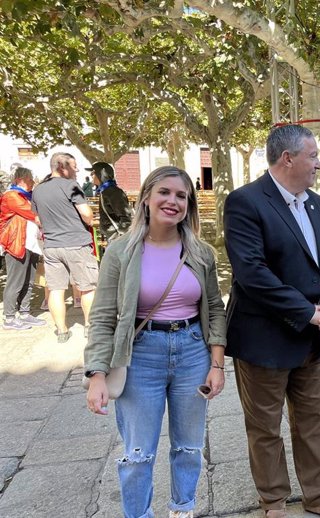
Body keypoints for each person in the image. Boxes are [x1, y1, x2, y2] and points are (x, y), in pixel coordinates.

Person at [224, 125, 320, 518]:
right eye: (313, 156)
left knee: (312, 422)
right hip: (263, 338)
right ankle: (274, 502)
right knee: (265, 428)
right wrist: (307, 310)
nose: (319, 163)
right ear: (288, 158)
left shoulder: (316, 203)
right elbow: (252, 272)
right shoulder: (244, 202)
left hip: (309, 339)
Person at [84, 166, 226, 518]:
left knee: (189, 448)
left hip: (193, 351)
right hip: (140, 354)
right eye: (164, 192)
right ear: (146, 197)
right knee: (137, 453)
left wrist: (217, 364)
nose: (172, 201)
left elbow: (214, 310)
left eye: (181, 196)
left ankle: (182, 509)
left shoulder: (201, 252)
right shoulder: (120, 252)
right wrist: (97, 375)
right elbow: (102, 316)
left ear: (188, 204)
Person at [31, 152, 98, 343]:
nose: (77, 170)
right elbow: (86, 214)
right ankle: (90, 327)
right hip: (76, 243)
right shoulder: (71, 186)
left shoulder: (38, 189)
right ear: (62, 166)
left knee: (56, 289)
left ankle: (61, 331)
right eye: (74, 165)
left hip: (52, 245)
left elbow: (37, 219)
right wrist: (89, 219)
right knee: (88, 287)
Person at [0, 167, 46, 330]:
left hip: (30, 244)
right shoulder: (11, 196)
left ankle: (25, 313)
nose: (33, 181)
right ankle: (10, 317)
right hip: (16, 243)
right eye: (30, 178)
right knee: (16, 281)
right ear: (21, 179)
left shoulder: (26, 196)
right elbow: (32, 213)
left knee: (28, 280)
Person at [87, 162, 133, 244]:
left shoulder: (113, 192)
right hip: (112, 237)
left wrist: (119, 238)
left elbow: (126, 218)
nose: (91, 175)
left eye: (93, 173)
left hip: (117, 239)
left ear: (101, 174)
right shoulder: (105, 191)